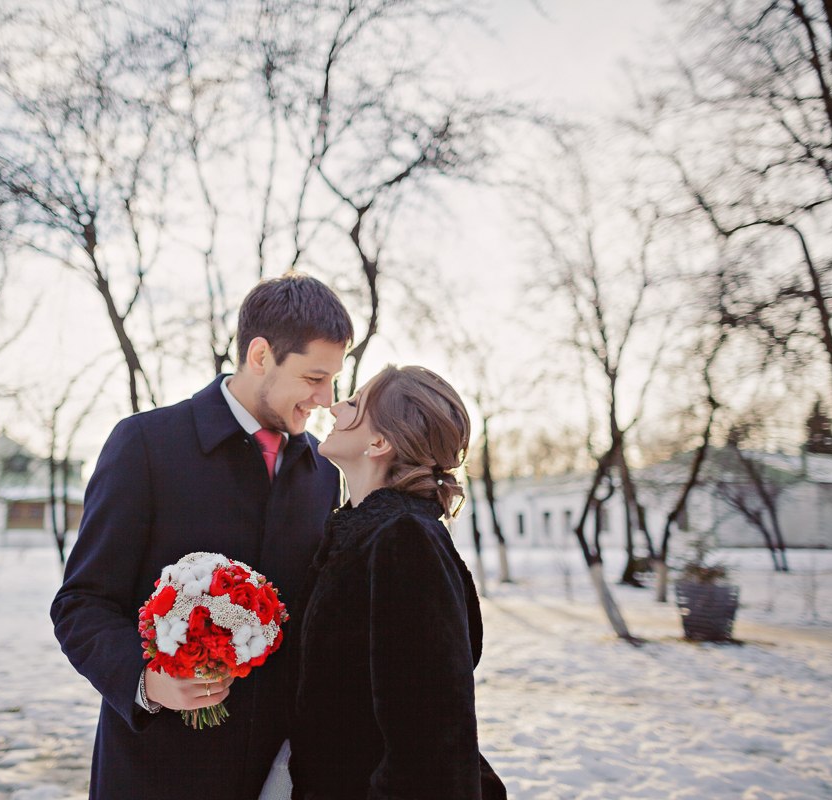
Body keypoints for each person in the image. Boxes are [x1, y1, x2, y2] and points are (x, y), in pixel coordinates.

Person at [50, 272, 354, 800]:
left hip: (276, 777)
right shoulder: (145, 445)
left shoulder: (323, 475)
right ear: (260, 355)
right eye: (313, 378)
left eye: (332, 380)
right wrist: (148, 681)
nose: (326, 399)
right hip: (156, 771)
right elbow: (82, 603)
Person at [283, 365, 507, 800]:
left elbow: (430, 744)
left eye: (353, 404)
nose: (332, 405)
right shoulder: (362, 535)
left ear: (380, 443)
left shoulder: (405, 541)